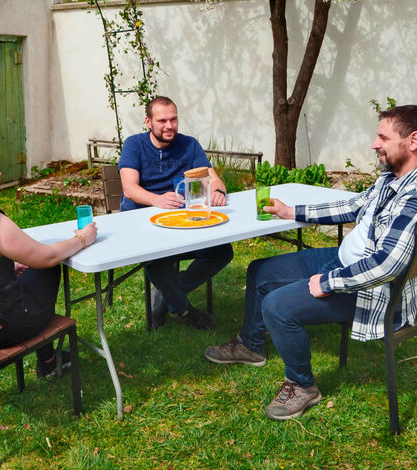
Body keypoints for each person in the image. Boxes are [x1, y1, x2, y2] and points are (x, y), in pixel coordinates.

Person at [205, 105, 417, 420]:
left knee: (278, 307)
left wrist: (328, 283)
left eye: (383, 137)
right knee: (261, 270)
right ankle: (251, 346)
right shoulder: (392, 178)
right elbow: (353, 205)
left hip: (373, 291)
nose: (375, 144)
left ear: (413, 140)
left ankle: (302, 385)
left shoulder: (413, 197)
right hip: (342, 260)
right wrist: (292, 212)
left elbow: (385, 266)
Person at [0, 133, 97, 377]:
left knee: (23, 272)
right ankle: (48, 361)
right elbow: (46, 256)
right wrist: (82, 238)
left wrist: (6, 265)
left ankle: (48, 359)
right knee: (47, 268)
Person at [119, 96, 233, 329]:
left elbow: (213, 179)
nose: (169, 126)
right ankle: (185, 309)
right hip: (141, 224)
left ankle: (168, 296)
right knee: (156, 258)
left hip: (180, 223)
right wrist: (157, 200)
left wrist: (218, 191)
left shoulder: (189, 145)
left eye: (173, 119)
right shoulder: (134, 144)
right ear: (148, 122)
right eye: (162, 121)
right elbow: (129, 189)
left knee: (223, 251)